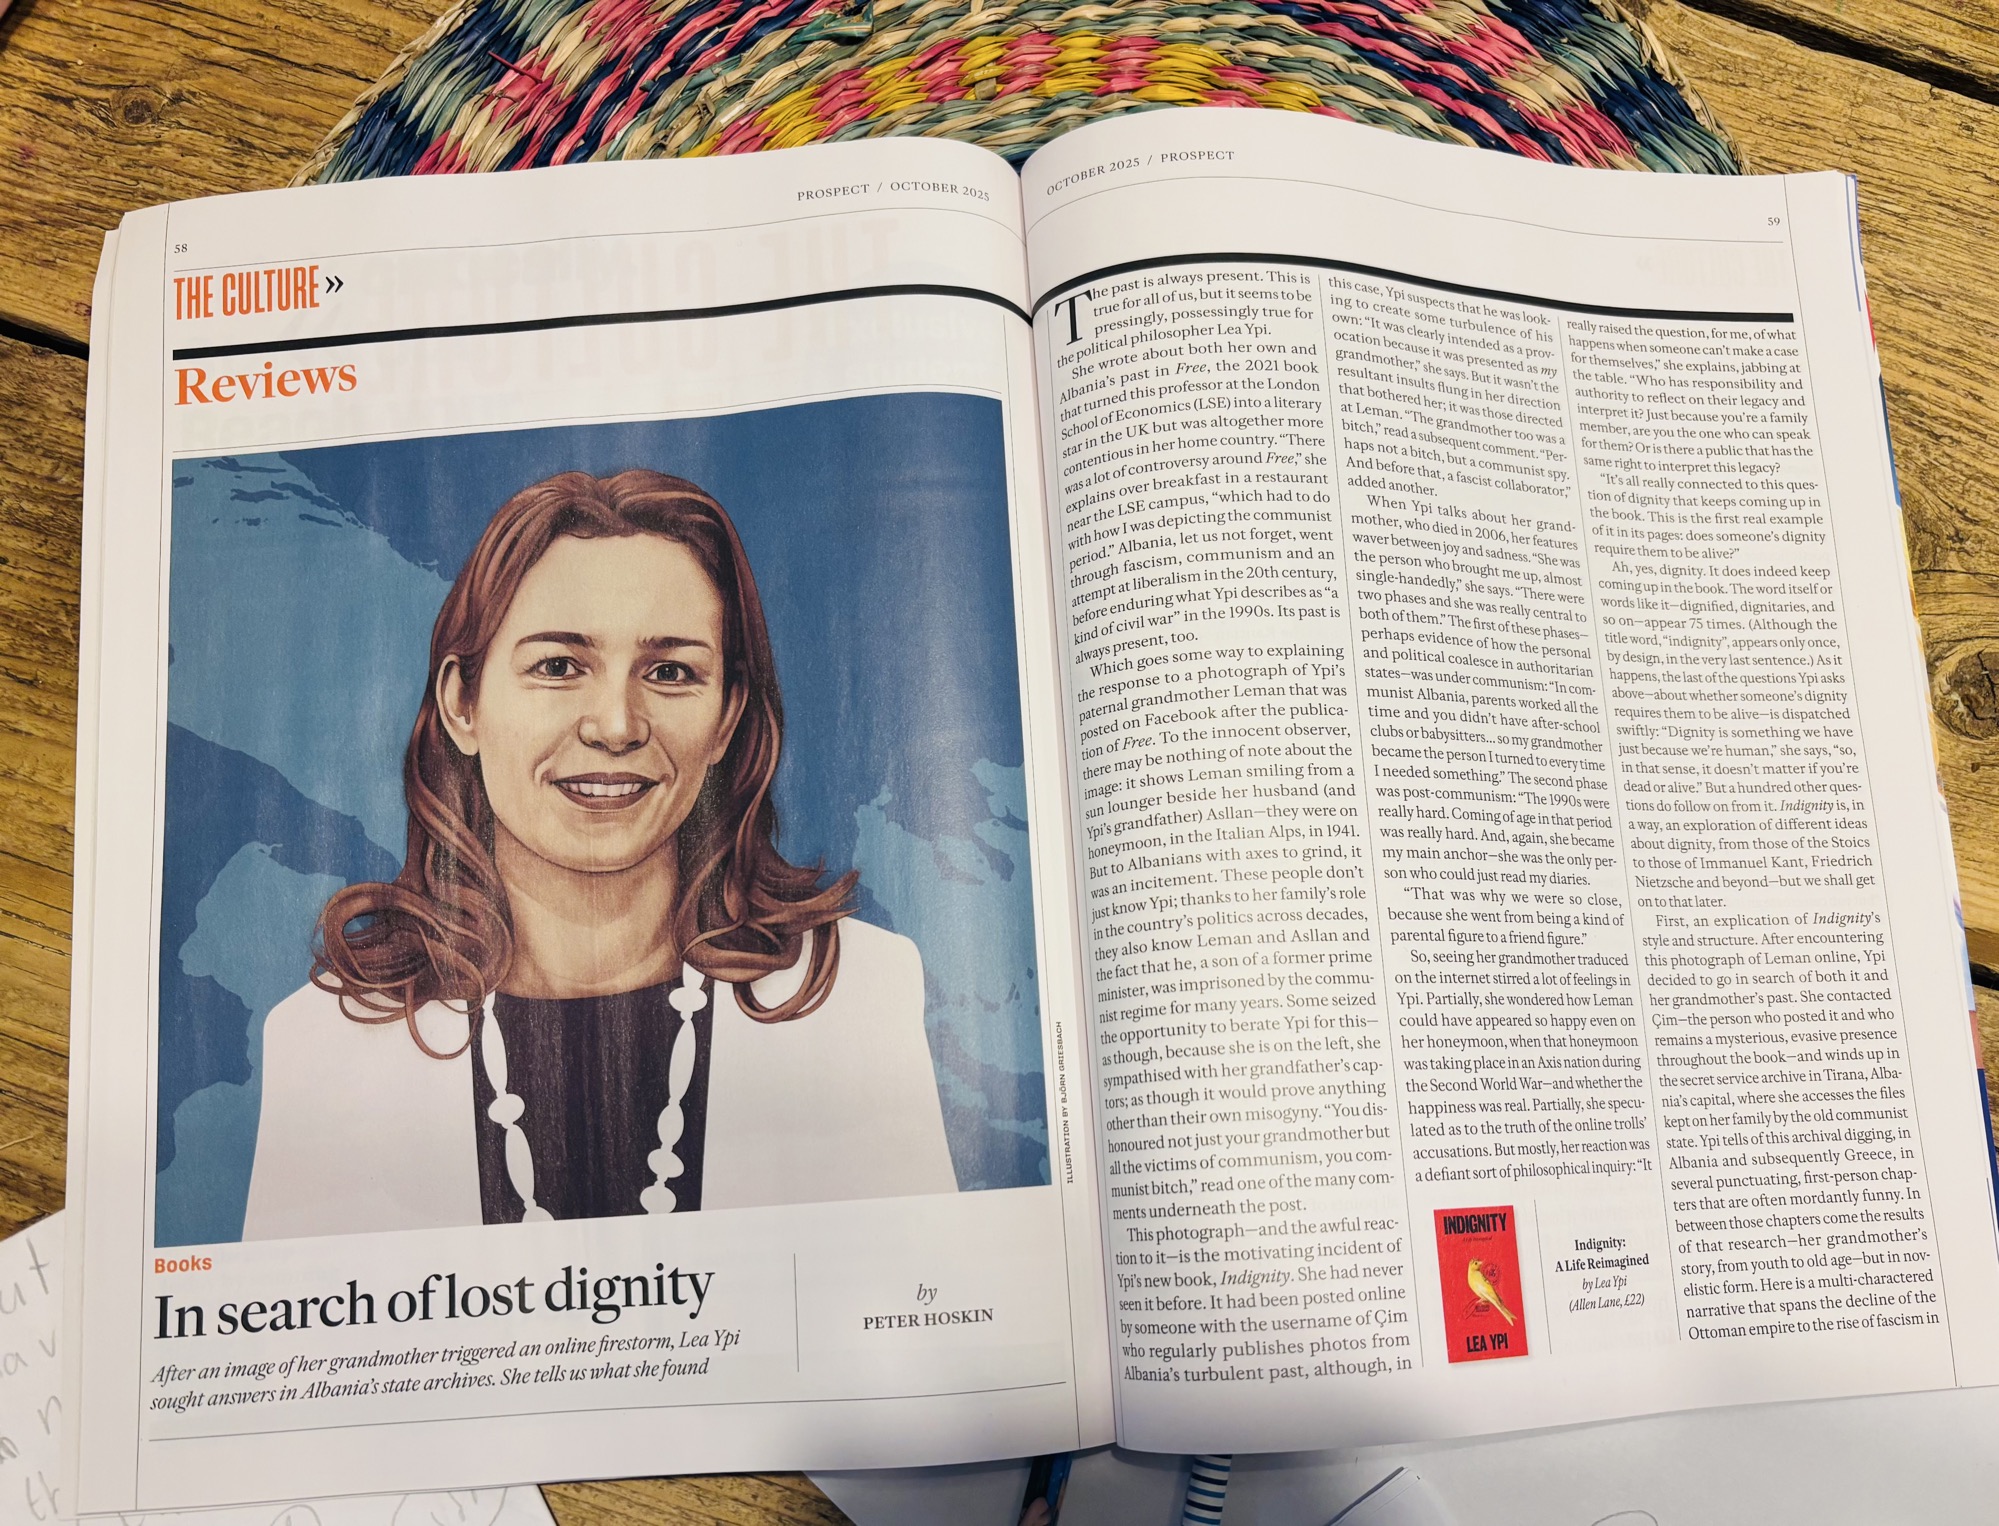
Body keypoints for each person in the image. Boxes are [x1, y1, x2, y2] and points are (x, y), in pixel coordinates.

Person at [243, 470, 955, 1239]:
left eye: (670, 672)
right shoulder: (323, 1043)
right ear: (462, 704)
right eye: (558, 666)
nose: (616, 726)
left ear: (725, 719)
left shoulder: (862, 995)